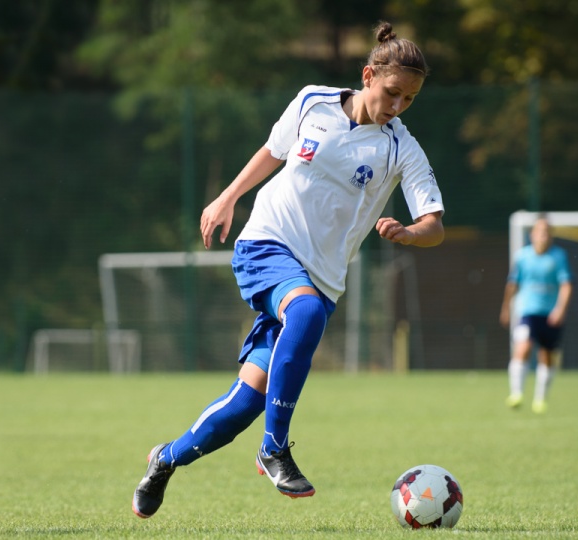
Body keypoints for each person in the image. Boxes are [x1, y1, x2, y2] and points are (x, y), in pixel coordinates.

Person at [131, 21, 445, 518]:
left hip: (321, 277)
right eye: (392, 93)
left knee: (244, 403)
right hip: (266, 244)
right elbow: (272, 152)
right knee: (304, 312)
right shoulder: (311, 102)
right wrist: (228, 197)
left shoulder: (400, 148)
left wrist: (410, 233)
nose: (398, 106)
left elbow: (434, 224)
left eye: (409, 99)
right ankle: (274, 449)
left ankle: (163, 460)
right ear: (368, 76)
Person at [499, 216, 573, 414]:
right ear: (532, 234)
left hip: (550, 314)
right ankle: (516, 394)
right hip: (527, 311)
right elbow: (513, 284)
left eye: (547, 231)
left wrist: (560, 309)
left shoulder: (559, 256)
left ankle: (540, 399)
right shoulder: (522, 256)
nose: (543, 235)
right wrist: (506, 308)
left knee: (546, 355)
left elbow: (566, 285)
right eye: (540, 231)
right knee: (523, 347)